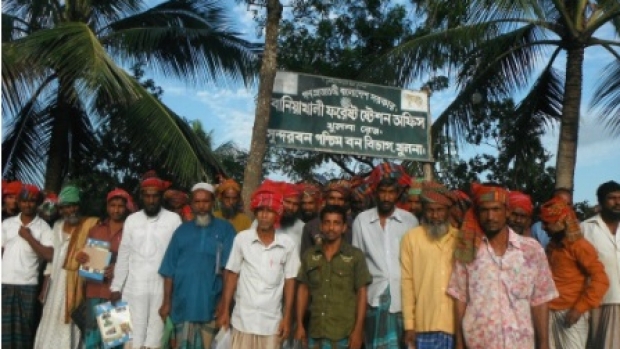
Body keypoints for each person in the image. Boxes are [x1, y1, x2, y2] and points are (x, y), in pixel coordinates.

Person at [447, 183, 558, 349]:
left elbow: (540, 300)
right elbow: (460, 298)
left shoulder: (531, 250)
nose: (490, 216)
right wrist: (459, 343)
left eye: (496, 209)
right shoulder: (468, 251)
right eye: (484, 210)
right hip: (478, 343)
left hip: (521, 343)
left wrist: (544, 344)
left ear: (507, 212)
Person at [217, 181, 300, 349]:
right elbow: (232, 275)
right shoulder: (242, 239)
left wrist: (287, 317)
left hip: (271, 322)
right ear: (255, 212)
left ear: (277, 214)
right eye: (260, 210)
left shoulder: (287, 244)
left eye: (269, 211)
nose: (264, 215)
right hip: (243, 320)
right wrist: (225, 310)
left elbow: (290, 281)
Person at [159, 183, 236, 349]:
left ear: (213, 202)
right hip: (182, 306)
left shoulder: (226, 230)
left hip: (211, 306)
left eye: (206, 201)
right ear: (191, 204)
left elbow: (229, 271)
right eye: (197, 202)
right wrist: (166, 303)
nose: (201, 206)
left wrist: (224, 304)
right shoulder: (181, 231)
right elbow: (169, 271)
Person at [110, 172, 182, 349]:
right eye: (147, 196)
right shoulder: (132, 220)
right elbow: (124, 255)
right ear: (141, 197)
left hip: (160, 289)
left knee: (154, 340)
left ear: (161, 197)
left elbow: (177, 258)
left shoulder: (173, 220)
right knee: (129, 337)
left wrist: (173, 294)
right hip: (133, 287)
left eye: (155, 196)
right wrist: (115, 286)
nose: (151, 200)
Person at [352, 163, 418, 348]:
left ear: (397, 194)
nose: (387, 197)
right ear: (375, 193)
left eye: (391, 192)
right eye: (383, 191)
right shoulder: (362, 221)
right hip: (373, 299)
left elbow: (413, 263)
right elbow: (358, 264)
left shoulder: (409, 221)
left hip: (403, 300)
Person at [295, 205, 371, 349]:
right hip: (315, 332)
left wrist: (358, 330)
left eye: (336, 223)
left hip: (344, 335)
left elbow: (362, 293)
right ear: (321, 226)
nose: (331, 227)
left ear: (344, 227)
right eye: (327, 222)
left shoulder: (355, 256)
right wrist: (299, 325)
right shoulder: (310, 255)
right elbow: (303, 290)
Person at [34, 184, 99, 349]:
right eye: (66, 207)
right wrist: (44, 287)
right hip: (55, 289)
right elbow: (51, 261)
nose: (71, 210)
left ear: (79, 205)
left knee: (71, 329)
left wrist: (87, 257)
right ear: (61, 209)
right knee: (50, 326)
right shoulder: (56, 227)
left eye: (74, 205)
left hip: (78, 288)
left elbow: (97, 264)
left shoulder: (92, 225)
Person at [539, 197, 609, 349]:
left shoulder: (580, 246)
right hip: (550, 310)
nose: (543, 228)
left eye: (546, 223)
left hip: (571, 312)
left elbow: (601, 279)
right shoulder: (552, 246)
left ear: (559, 224)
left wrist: (579, 309)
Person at [400, 182, 458, 349]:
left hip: (454, 327)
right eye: (430, 210)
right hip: (423, 327)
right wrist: (409, 326)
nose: (435, 215)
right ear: (423, 210)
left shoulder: (461, 240)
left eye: (440, 210)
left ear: (448, 211)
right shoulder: (411, 239)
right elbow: (407, 283)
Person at [75, 188, 134, 349]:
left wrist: (118, 268)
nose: (116, 209)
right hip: (94, 290)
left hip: (117, 294)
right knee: (92, 339)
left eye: (120, 206)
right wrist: (82, 258)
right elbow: (87, 257)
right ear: (107, 207)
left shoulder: (132, 230)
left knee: (114, 341)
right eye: (112, 205)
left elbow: (138, 260)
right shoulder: (96, 229)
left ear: (126, 207)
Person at [2, 185, 53, 349]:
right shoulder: (7, 224)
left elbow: (50, 255)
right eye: (24, 201)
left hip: (28, 285)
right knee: (3, 332)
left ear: (37, 203)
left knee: (24, 331)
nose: (27, 205)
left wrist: (29, 238)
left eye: (32, 201)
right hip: (4, 283)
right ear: (18, 202)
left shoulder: (43, 227)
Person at [582, 180, 620, 349]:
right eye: (612, 198)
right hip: (599, 301)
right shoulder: (586, 228)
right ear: (601, 202)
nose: (617, 202)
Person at [300, 179, 353, 256]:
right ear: (325, 200)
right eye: (332, 198)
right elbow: (305, 258)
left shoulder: (354, 224)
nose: (336, 203)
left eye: (340, 199)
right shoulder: (311, 226)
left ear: (345, 202)